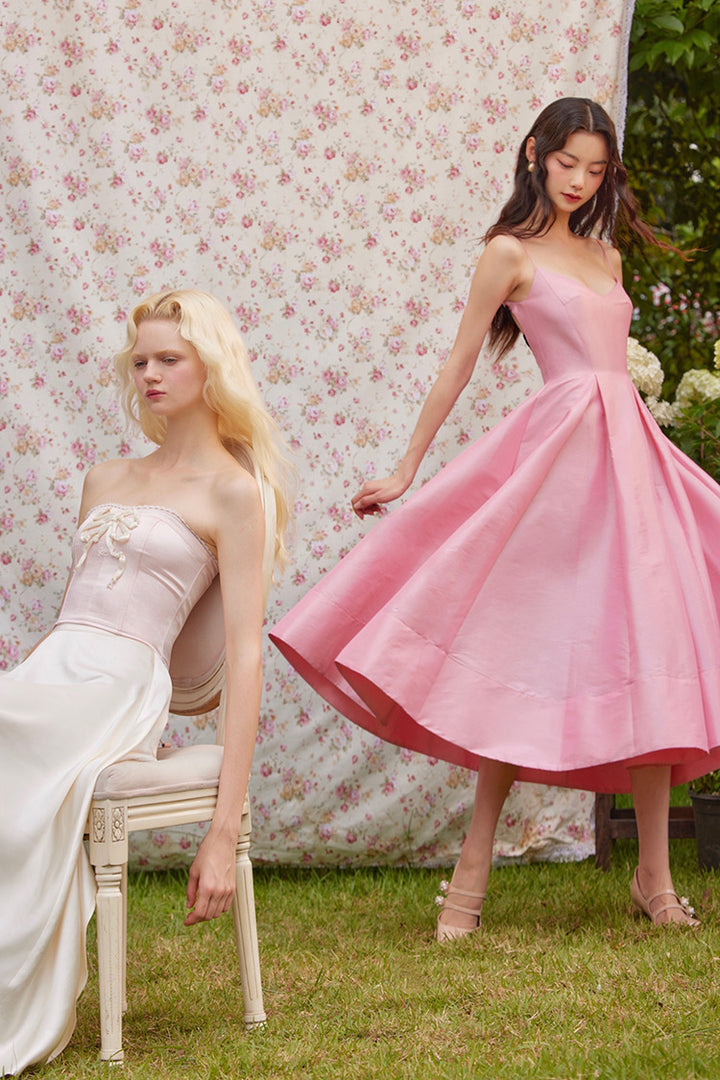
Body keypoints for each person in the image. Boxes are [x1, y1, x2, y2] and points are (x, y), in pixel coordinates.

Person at [270, 98, 720, 940]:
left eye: (596, 169)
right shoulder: (508, 253)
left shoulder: (607, 256)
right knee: (517, 653)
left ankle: (654, 879)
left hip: (631, 462)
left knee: (655, 646)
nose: (581, 181)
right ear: (535, 154)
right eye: (568, 163)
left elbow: (611, 370)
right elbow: (459, 364)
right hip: (561, 468)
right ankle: (471, 870)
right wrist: (405, 469)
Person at [0, 289, 290, 1074]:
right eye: (140, 362)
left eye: (170, 359)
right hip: (55, 670)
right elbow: (74, 615)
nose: (151, 374)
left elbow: (245, 657)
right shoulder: (105, 477)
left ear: (211, 366)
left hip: (119, 688)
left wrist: (222, 833)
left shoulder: (235, 492)